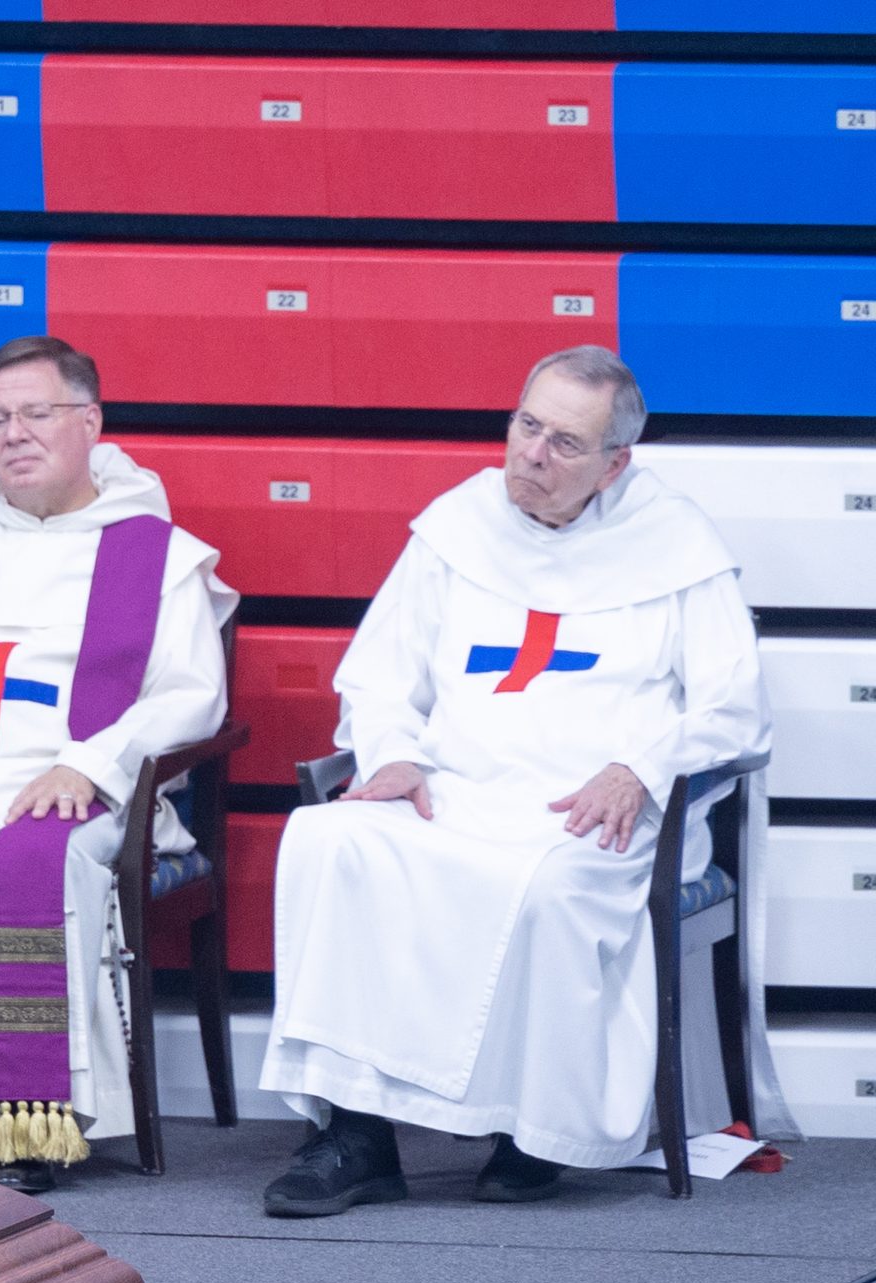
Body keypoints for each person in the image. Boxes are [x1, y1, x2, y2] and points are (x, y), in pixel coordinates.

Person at [258, 345, 771, 1216]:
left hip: (589, 817)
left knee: (549, 891)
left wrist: (640, 770)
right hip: (451, 794)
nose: (531, 455)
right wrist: (392, 753)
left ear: (618, 464)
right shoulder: (457, 528)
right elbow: (379, 675)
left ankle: (533, 1132)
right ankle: (354, 1136)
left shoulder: (677, 544)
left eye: (564, 443)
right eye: (525, 425)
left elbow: (737, 708)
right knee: (327, 838)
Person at [0, 336, 236, 1190]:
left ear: (89, 422)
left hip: (68, 785)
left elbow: (191, 696)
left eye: (37, 413)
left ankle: (22, 1119)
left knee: (26, 855)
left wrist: (90, 763)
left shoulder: (151, 554)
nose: (13, 434)